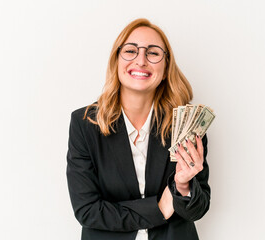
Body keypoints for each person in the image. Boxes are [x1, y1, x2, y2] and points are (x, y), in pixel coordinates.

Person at [66, 18, 211, 240]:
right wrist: (160, 209)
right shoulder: (85, 124)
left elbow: (197, 210)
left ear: (165, 68)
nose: (141, 60)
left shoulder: (186, 124)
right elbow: (88, 211)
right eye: (131, 51)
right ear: (116, 62)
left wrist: (182, 186)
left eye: (153, 53)